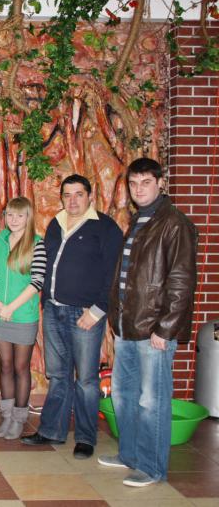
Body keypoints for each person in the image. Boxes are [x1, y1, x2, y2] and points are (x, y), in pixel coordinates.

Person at [99, 158, 197, 486]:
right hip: (127, 326)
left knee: (151, 401)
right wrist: (116, 320)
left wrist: (165, 329)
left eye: (146, 183)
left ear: (160, 183)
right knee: (124, 396)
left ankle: (152, 467)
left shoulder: (174, 223)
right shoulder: (139, 220)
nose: (138, 189)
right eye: (133, 183)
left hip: (153, 330)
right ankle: (129, 455)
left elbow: (181, 282)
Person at [21, 174, 123, 460]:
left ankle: (86, 438)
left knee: (87, 380)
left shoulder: (105, 228)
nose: (73, 200)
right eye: (67, 195)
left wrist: (98, 310)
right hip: (54, 310)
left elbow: (113, 274)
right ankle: (52, 430)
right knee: (58, 375)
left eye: (79, 194)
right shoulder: (56, 223)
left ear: (90, 196)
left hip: (85, 314)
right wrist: (45, 301)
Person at [0, 197, 46, 440]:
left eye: (19, 215)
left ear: (28, 217)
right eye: (10, 215)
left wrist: (11, 307)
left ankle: (19, 419)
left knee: (21, 368)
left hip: (23, 315)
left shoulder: (37, 243)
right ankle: (7, 416)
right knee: (6, 366)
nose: (14, 220)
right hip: (0, 313)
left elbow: (37, 281)